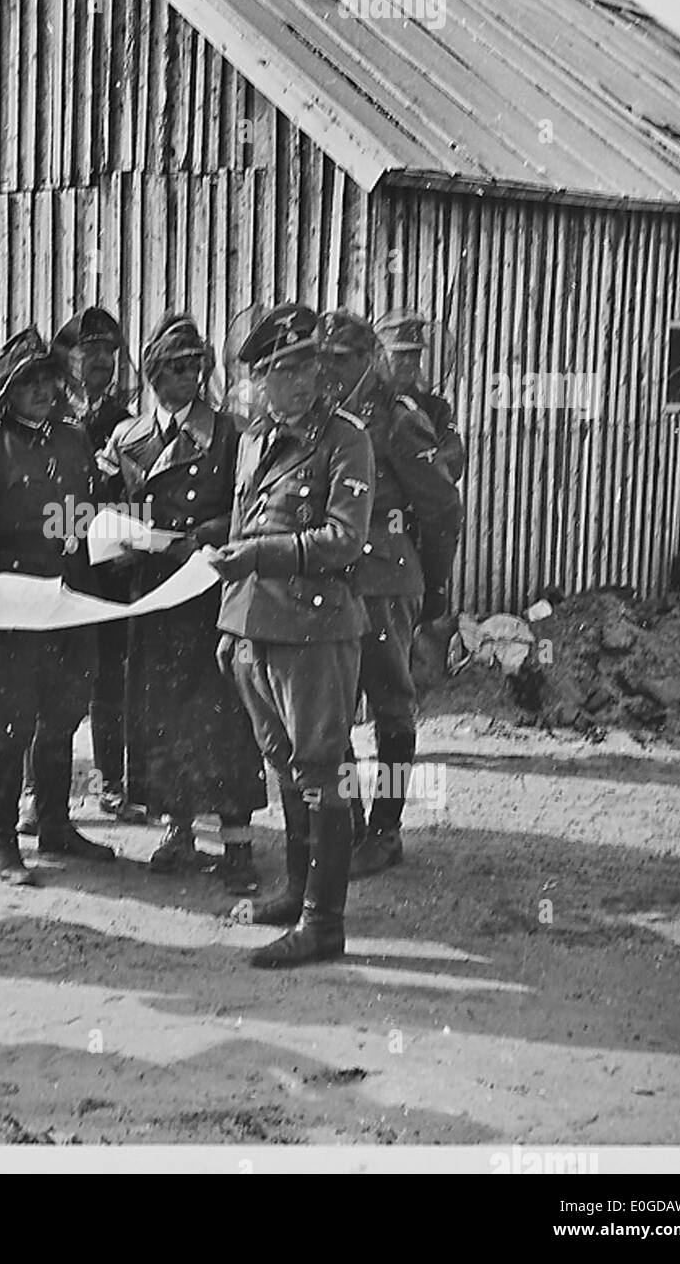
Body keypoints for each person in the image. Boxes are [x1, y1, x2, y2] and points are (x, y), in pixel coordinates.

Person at [211, 304, 375, 968]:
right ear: (257, 381)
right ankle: (297, 889)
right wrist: (229, 623)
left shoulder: (346, 440)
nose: (300, 382)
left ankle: (322, 923)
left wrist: (258, 559)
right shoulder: (252, 440)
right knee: (284, 767)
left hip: (315, 629)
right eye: (282, 371)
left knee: (320, 773)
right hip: (255, 626)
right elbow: (237, 528)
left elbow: (344, 539)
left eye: (307, 366)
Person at [0, 326, 116, 884]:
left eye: (46, 379)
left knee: (62, 717)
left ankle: (54, 823)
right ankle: (1, 841)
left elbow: (81, 515)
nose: (40, 389)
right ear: (4, 392)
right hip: (15, 602)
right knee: (11, 726)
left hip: (72, 594)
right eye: (26, 381)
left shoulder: (74, 439)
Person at [101, 313, 267, 890]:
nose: (189, 377)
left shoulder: (231, 433)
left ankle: (238, 845)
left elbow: (249, 511)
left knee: (223, 716)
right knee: (163, 713)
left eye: (197, 365)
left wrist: (203, 535)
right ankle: (178, 829)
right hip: (154, 597)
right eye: (175, 368)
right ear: (151, 374)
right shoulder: (127, 439)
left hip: (208, 591)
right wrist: (123, 535)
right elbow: (110, 506)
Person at [318, 309, 463, 878]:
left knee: (390, 706)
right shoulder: (324, 415)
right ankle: (350, 820)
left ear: (366, 359)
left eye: (342, 359)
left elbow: (442, 508)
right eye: (323, 360)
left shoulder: (398, 420)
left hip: (384, 582)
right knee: (330, 707)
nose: (330, 370)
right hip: (333, 582)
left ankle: (386, 830)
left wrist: (431, 582)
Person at [52, 307, 137, 820]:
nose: (102, 361)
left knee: (109, 679)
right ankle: (40, 794)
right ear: (67, 358)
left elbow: (135, 497)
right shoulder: (47, 412)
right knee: (51, 684)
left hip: (106, 568)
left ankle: (110, 781)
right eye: (90, 351)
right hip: (57, 564)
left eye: (109, 352)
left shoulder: (126, 421)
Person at [373, 309, 466, 483]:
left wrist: (421, 462)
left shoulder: (436, 408)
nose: (409, 361)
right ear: (380, 357)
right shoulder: (366, 402)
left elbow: (454, 456)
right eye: (400, 354)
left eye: (414, 354)